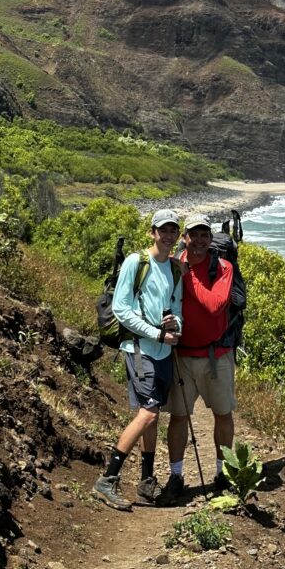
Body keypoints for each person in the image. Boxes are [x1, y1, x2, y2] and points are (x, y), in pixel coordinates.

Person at [93, 210, 183, 511]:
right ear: (152, 232)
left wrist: (175, 327)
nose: (168, 235)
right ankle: (108, 479)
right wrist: (156, 335)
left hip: (164, 352)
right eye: (163, 230)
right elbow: (122, 309)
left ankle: (146, 481)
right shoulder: (136, 262)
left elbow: (177, 308)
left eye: (173, 230)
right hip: (140, 350)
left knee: (152, 415)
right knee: (148, 414)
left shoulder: (174, 267)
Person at [162, 213, 241, 500]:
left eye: (204, 235)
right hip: (181, 354)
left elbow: (215, 304)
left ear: (210, 239)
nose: (199, 241)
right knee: (179, 417)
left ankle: (223, 472)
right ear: (185, 237)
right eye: (193, 234)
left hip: (215, 354)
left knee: (222, 414)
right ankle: (175, 475)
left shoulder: (222, 267)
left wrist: (188, 277)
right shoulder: (171, 265)